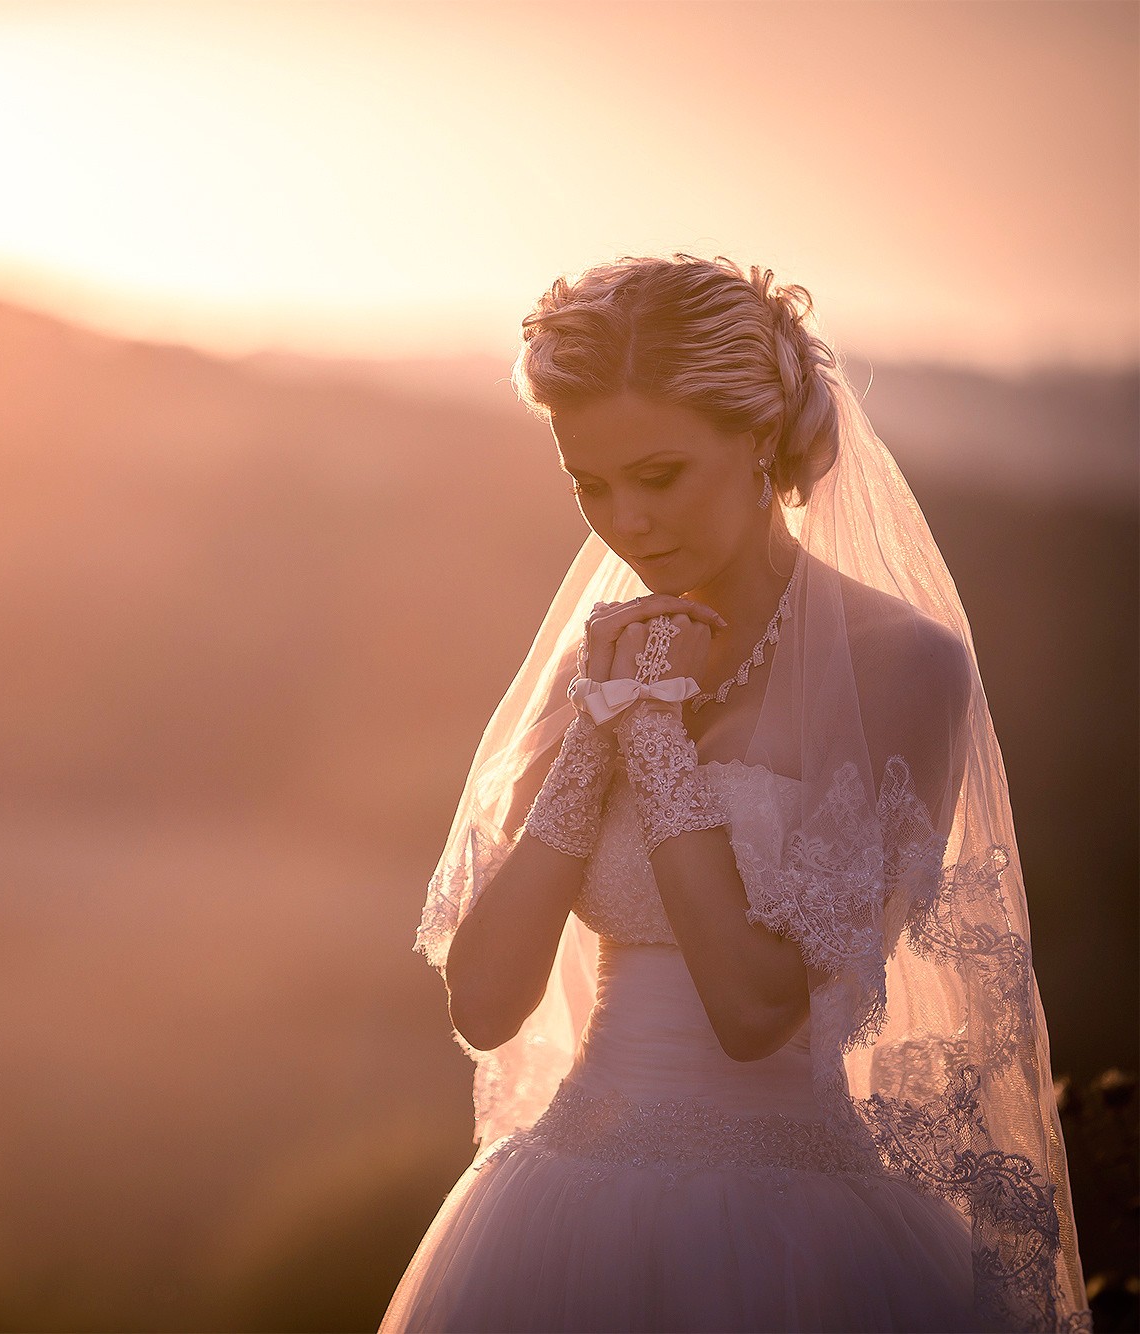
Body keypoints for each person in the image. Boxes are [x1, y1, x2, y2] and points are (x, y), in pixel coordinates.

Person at [379, 254, 1089, 1333]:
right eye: (590, 485)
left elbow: (757, 1007)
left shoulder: (902, 666)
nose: (627, 521)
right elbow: (482, 1002)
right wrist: (594, 734)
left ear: (758, 441)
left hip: (794, 1228)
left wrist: (655, 738)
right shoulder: (598, 661)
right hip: (557, 1211)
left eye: (658, 474)